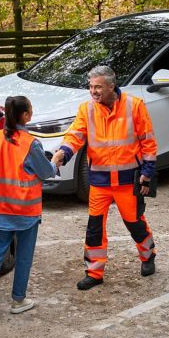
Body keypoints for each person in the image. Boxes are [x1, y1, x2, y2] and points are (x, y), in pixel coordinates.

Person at [51, 65, 158, 290]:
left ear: (111, 86)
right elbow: (75, 135)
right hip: (99, 183)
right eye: (91, 87)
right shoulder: (87, 109)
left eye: (98, 87)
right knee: (94, 228)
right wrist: (63, 153)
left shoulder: (134, 106)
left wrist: (147, 173)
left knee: (135, 224)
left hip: (128, 182)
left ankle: (148, 256)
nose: (93, 91)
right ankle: (94, 272)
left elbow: (147, 141)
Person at [0, 96, 57, 319]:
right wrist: (55, 161)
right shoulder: (30, 143)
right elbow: (45, 172)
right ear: (25, 116)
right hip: (25, 210)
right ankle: (18, 300)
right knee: (24, 255)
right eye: (31, 111)